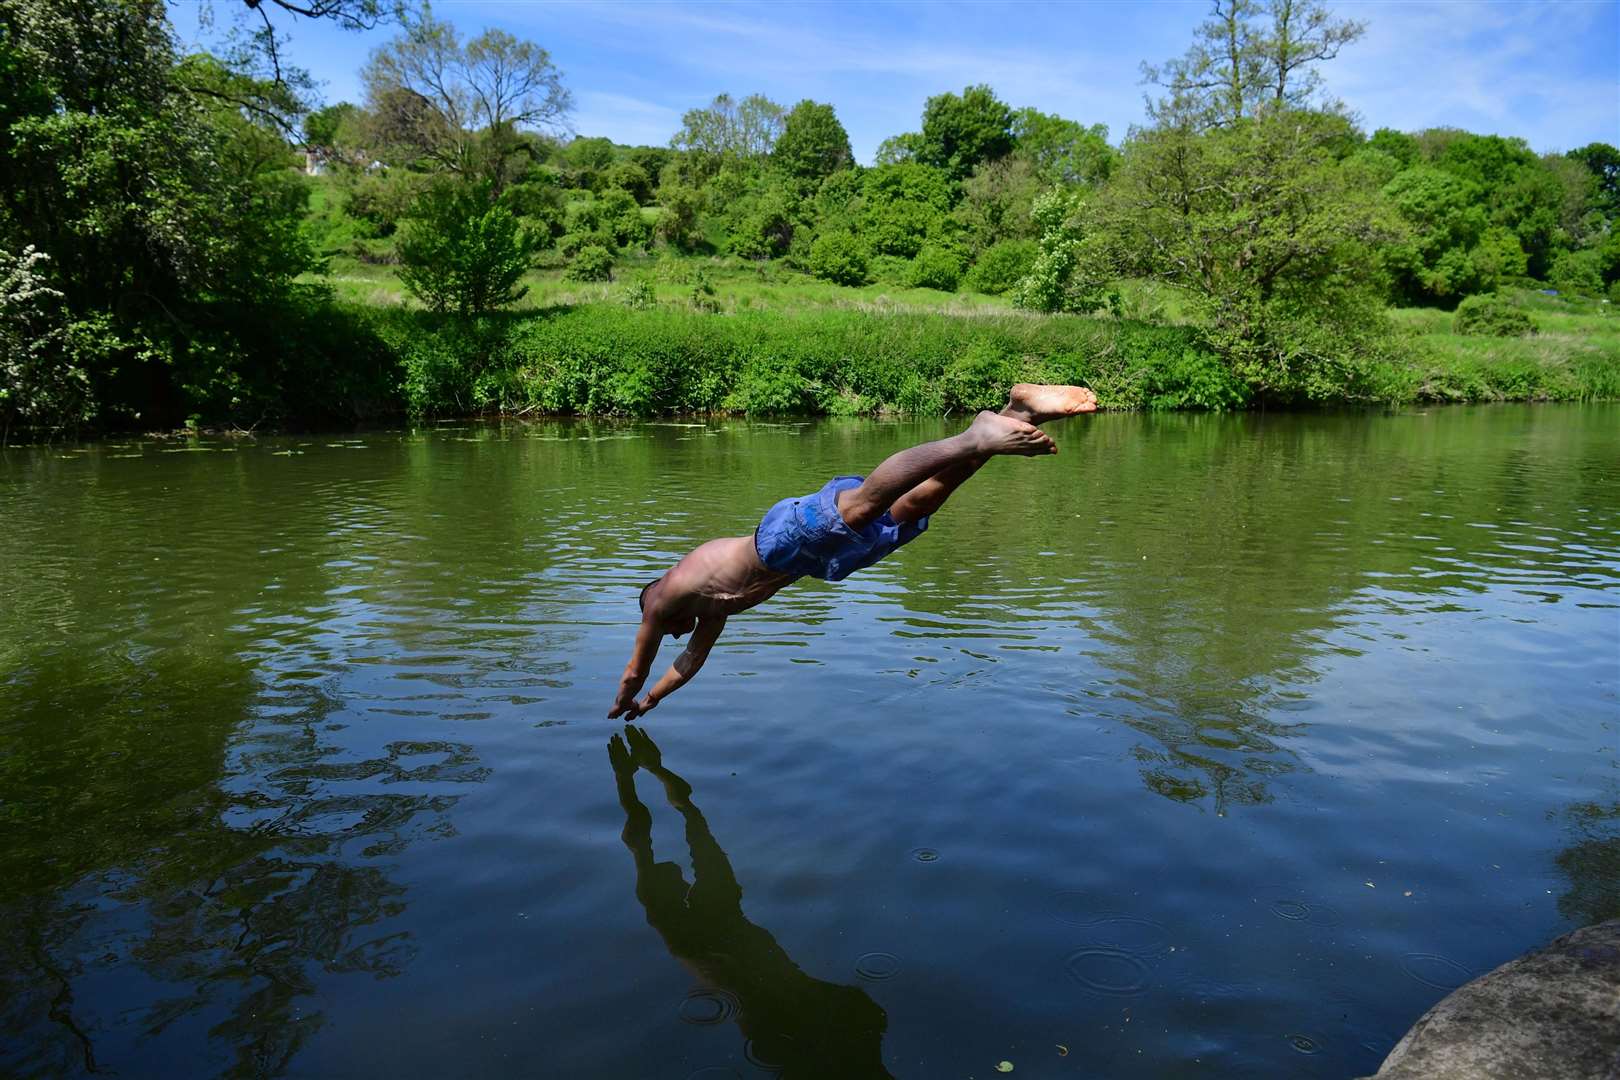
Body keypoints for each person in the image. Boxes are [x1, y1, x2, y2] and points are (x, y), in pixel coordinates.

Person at [608, 384, 1098, 719]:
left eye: (668, 631)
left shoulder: (661, 598)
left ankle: (975, 434)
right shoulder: (708, 611)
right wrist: (651, 701)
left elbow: (637, 663)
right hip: (813, 561)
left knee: (866, 505)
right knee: (914, 506)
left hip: (779, 541)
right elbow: (692, 660)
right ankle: (1018, 411)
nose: (673, 635)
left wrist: (625, 695)